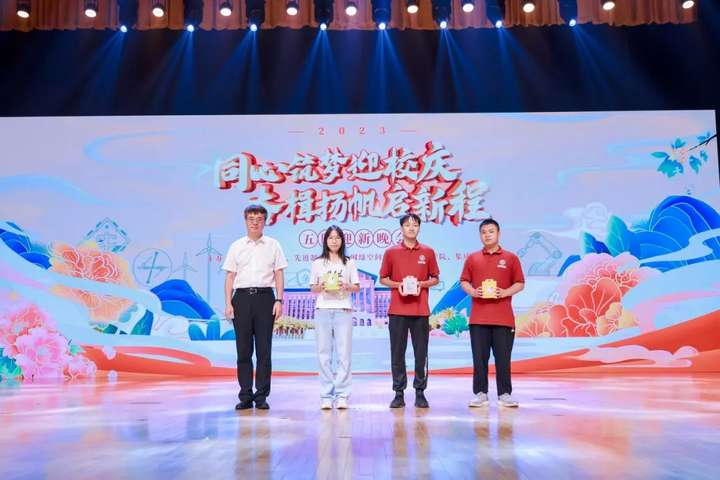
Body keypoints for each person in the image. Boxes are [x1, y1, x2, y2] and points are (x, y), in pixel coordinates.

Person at [223, 205, 287, 410]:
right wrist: (228, 303)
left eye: (259, 219)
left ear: (265, 221)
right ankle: (245, 395)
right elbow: (230, 276)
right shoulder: (236, 246)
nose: (255, 222)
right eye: (251, 218)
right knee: (243, 350)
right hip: (241, 298)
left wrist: (279, 300)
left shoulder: (273, 245)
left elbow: (278, 274)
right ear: (245, 221)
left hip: (265, 298)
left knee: (264, 351)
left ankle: (261, 396)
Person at [460, 218, 525, 408]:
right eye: (483, 232)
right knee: (479, 359)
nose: (487, 235)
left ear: (498, 234)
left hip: (503, 319)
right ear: (480, 235)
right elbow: (464, 281)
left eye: (491, 231)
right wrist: (473, 292)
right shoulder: (473, 258)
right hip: (478, 319)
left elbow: (520, 283)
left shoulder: (511, 258)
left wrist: (505, 292)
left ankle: (505, 394)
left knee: (503, 359)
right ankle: (480, 394)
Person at [379, 214, 440, 409]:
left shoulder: (428, 252)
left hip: (420, 310)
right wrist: (399, 285)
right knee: (397, 353)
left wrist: (421, 284)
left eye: (415, 225)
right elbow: (383, 278)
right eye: (407, 225)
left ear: (419, 228)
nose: (411, 228)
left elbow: (435, 278)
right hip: (397, 310)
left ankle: (420, 392)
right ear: (401, 228)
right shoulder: (391, 252)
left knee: (421, 353)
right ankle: (399, 393)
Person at [310, 225, 361, 410]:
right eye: (330, 238)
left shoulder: (349, 262)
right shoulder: (318, 263)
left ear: (342, 241)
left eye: (337, 238)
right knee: (323, 354)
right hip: (323, 310)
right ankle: (326, 395)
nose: (334, 241)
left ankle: (342, 395)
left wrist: (347, 286)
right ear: (325, 240)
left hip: (343, 309)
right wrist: (321, 286)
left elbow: (357, 287)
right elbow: (312, 288)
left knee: (344, 354)